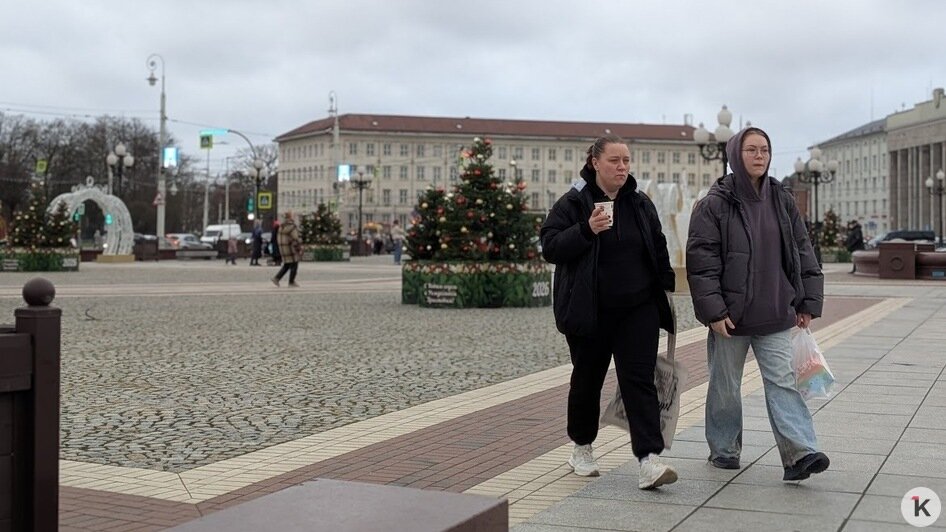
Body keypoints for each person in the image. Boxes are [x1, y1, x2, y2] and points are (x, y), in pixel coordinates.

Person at [686, 126, 829, 482]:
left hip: (776, 311)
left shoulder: (781, 199)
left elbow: (802, 251)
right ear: (737, 154)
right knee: (725, 386)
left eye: (764, 149)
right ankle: (724, 450)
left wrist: (807, 301)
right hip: (730, 319)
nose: (759, 156)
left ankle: (800, 453)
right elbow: (702, 260)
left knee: (783, 382)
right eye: (751, 149)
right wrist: (713, 311)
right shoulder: (715, 203)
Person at [540, 135, 678, 490]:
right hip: (590, 311)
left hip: (637, 310)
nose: (622, 167)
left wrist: (665, 287)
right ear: (595, 163)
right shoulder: (574, 202)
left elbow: (657, 243)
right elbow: (551, 246)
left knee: (639, 381)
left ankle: (649, 459)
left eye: (626, 161)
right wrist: (586, 230)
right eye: (614, 160)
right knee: (587, 380)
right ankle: (582, 447)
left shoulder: (640, 203)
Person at [271, 211, 301, 287]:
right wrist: (299, 245)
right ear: (290, 217)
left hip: (283, 248)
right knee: (294, 264)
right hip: (291, 248)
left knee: (287, 264)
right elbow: (295, 238)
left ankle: (276, 278)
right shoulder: (292, 226)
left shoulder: (281, 226)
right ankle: (291, 282)